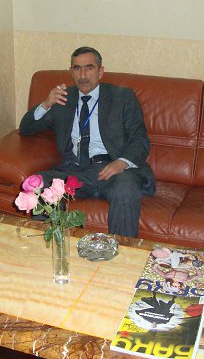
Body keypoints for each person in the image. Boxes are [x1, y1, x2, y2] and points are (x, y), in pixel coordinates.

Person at [18, 46, 155, 237]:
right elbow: (25, 129)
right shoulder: (62, 100)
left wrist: (121, 163)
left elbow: (140, 139)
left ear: (100, 71)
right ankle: (52, 249)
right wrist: (46, 103)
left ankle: (122, 251)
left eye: (89, 68)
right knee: (38, 185)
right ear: (71, 72)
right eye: (77, 68)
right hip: (75, 172)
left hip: (113, 169)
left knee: (125, 189)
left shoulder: (122, 97)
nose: (83, 75)